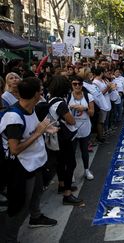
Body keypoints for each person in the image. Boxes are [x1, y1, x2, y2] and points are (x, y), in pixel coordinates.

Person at [0, 77, 57, 242]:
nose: (43, 92)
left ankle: (36, 217)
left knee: (38, 191)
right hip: (22, 168)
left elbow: (35, 127)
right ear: (36, 95)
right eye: (40, 90)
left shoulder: (31, 108)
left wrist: (47, 129)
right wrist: (39, 133)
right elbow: (15, 149)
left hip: (36, 163)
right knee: (20, 206)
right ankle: (9, 237)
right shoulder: (14, 118)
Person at [48, 75, 83, 206]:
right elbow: (71, 120)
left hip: (56, 135)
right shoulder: (61, 103)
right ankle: (67, 194)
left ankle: (62, 185)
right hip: (64, 137)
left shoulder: (50, 99)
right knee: (71, 163)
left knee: (61, 162)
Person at [68, 76, 95, 180]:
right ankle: (71, 173)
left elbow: (92, 113)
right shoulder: (68, 96)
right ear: (71, 85)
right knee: (72, 152)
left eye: (79, 84)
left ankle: (86, 170)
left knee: (84, 151)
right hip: (72, 128)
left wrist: (84, 108)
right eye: (75, 84)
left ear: (82, 85)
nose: (77, 86)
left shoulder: (88, 96)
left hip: (85, 128)